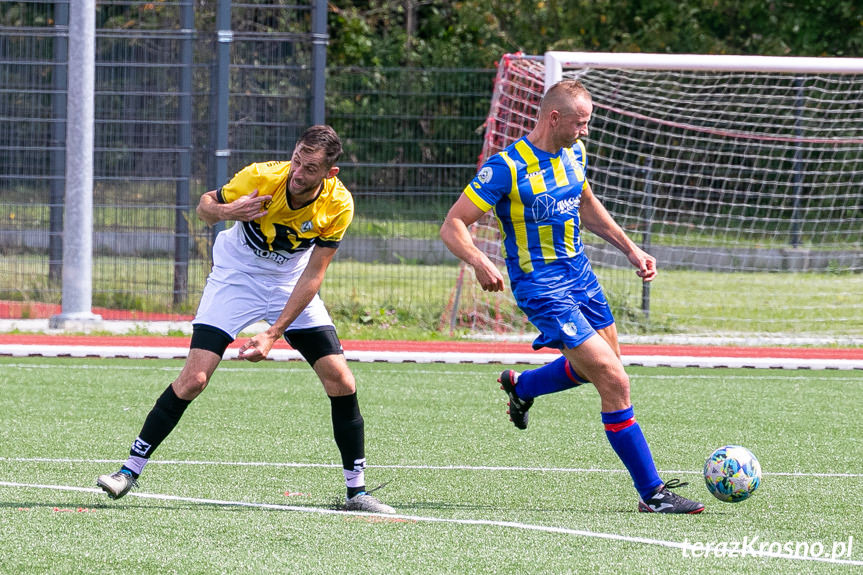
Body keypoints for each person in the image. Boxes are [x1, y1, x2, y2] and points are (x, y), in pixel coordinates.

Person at [97, 125, 395, 514]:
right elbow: (204, 208)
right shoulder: (260, 176)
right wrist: (228, 211)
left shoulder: (338, 204)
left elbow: (313, 275)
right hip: (235, 279)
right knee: (194, 380)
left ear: (329, 173)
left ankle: (357, 493)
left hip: (291, 284)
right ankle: (128, 471)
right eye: (297, 160)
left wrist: (274, 333)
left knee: (341, 380)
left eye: (310, 168)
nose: (298, 172)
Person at [440, 80, 704, 514]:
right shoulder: (506, 167)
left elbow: (585, 203)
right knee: (614, 381)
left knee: (598, 369)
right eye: (580, 123)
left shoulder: (575, 154)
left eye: (589, 123)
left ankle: (522, 386)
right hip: (541, 286)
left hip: (580, 275)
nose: (585, 131)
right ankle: (652, 494)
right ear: (554, 118)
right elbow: (453, 224)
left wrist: (631, 248)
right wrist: (480, 262)